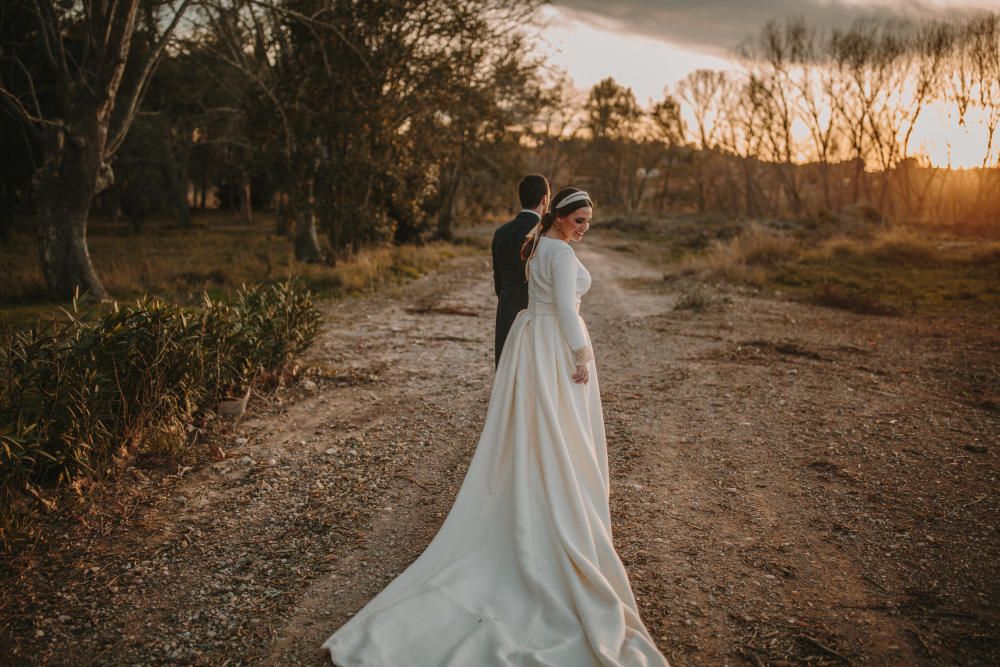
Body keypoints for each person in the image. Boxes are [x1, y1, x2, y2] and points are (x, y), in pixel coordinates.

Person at [321, 187, 670, 667]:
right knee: (561, 428)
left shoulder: (536, 247)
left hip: (530, 339)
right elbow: (569, 309)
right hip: (554, 345)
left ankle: (536, 484)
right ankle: (557, 499)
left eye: (589, 221)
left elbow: (547, 290)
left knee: (537, 425)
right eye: (580, 220)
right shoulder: (560, 254)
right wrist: (582, 356)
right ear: (560, 216)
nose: (585, 228)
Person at [491, 174, 549, 368]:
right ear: (545, 199)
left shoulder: (501, 232)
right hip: (536, 314)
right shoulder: (545, 234)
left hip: (507, 309)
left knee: (507, 372)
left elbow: (498, 283)